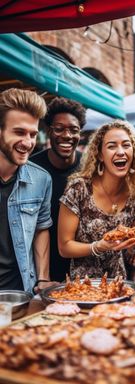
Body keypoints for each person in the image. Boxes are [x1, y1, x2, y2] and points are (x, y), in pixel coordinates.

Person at [58, 120, 135, 280]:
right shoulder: (79, 188)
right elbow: (64, 247)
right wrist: (98, 246)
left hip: (118, 286)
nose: (120, 151)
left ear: (134, 152)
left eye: (126, 145)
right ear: (99, 154)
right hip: (82, 287)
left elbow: (131, 251)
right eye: (112, 146)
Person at [0, 88, 52, 293]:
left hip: (20, 293)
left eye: (32, 134)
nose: (28, 142)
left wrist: (42, 279)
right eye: (19, 132)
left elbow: (41, 228)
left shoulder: (41, 179)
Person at [31, 97, 86, 282]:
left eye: (73, 130)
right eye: (59, 129)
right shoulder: (31, 168)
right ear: (48, 131)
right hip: (41, 270)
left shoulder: (89, 167)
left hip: (82, 266)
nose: (67, 135)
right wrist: (42, 277)